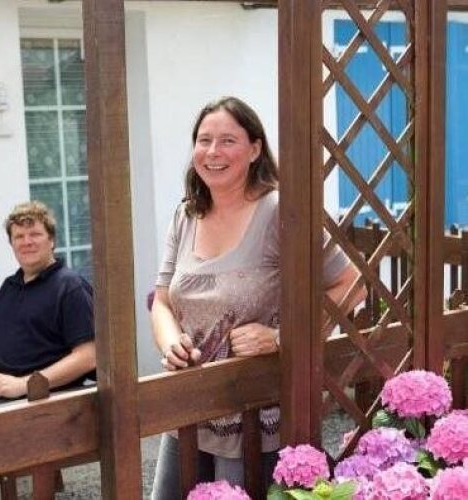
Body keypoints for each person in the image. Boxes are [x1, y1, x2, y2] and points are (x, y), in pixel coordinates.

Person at [150, 96, 366, 498]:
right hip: (190, 405)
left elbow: (352, 284)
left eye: (228, 141)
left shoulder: (281, 212)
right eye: (204, 140)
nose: (213, 152)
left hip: (254, 414)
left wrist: (282, 338)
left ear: (254, 150)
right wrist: (171, 342)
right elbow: (162, 301)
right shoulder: (186, 215)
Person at [0, 201, 96, 413]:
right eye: (19, 236)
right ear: (12, 244)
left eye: (35, 234)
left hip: (31, 395)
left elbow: (88, 355)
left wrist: (21, 384)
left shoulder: (70, 287)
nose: (27, 242)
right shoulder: (10, 286)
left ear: (51, 240)